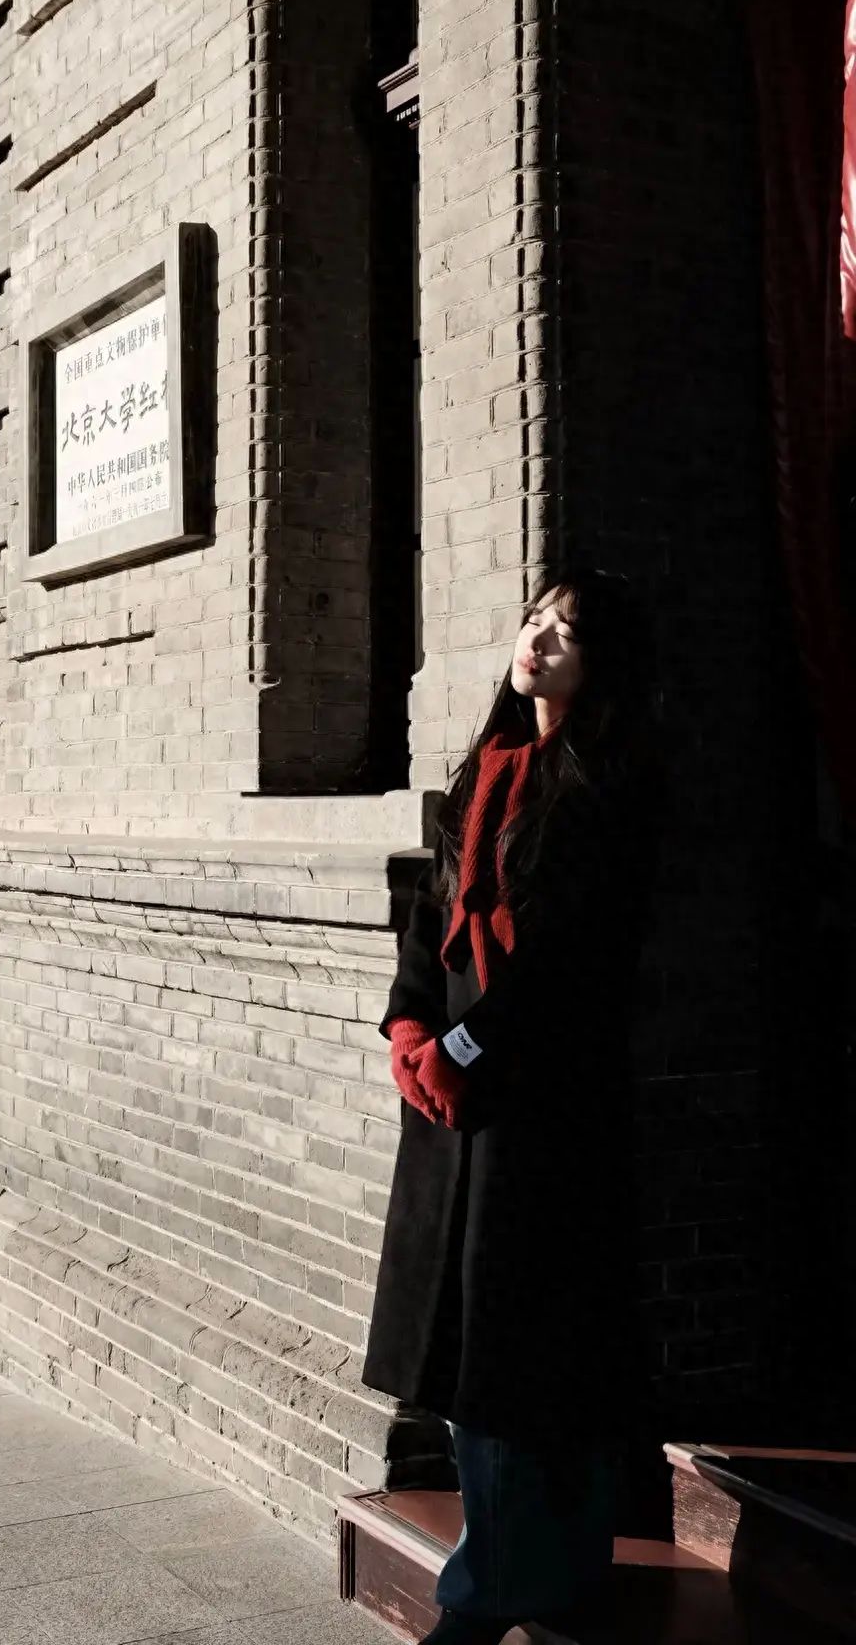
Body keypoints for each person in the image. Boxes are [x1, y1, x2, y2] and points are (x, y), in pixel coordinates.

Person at [361, 566, 662, 1645]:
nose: (538, 638)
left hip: (542, 1115)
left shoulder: (605, 791)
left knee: (517, 1367)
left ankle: (491, 1593)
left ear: (600, 663)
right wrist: (408, 1031)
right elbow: (422, 927)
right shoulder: (478, 776)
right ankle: (545, 1578)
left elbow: (573, 962)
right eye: (534, 617)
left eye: (567, 631)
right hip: (452, 1119)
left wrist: (465, 1044)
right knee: (469, 1365)